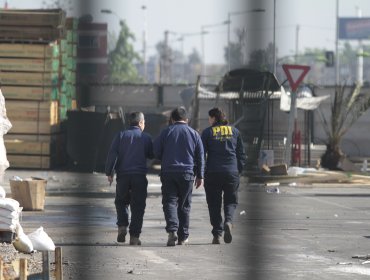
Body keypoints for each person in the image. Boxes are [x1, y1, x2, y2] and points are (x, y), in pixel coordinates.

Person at [153, 107, 204, 246]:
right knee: (184, 205)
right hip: (187, 174)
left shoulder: (166, 132)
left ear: (172, 119)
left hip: (168, 172)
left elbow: (156, 151)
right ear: (186, 120)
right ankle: (183, 237)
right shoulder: (194, 134)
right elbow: (200, 157)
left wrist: (165, 157)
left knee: (169, 202)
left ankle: (172, 231)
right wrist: (200, 176)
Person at [105, 112, 153, 245]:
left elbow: (112, 153)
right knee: (138, 206)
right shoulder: (146, 137)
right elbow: (152, 154)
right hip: (139, 177)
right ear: (140, 123)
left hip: (123, 177)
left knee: (121, 201)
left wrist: (109, 172)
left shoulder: (121, 135)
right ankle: (134, 237)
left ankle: (122, 226)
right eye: (144, 122)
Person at [201, 107, 246, 244]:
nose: (209, 121)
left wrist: (201, 172)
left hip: (213, 172)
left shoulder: (208, 132)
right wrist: (239, 170)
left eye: (209, 118)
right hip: (231, 172)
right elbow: (241, 154)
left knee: (214, 203)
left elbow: (201, 154)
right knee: (231, 201)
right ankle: (228, 221)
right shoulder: (235, 131)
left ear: (214, 118)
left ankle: (217, 234)